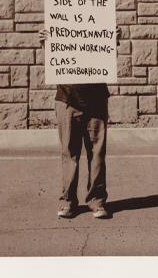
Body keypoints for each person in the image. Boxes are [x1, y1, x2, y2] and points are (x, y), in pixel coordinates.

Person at [38, 27, 120, 219]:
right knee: (69, 152)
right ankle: (68, 202)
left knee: (97, 154)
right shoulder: (62, 22)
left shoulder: (97, 22)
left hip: (97, 99)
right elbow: (51, 65)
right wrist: (44, 44)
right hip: (67, 99)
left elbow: (109, 61)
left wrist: (113, 40)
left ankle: (97, 201)